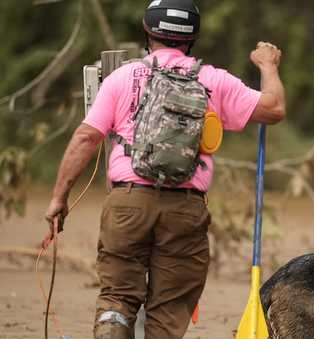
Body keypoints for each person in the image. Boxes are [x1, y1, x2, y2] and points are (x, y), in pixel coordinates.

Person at [44, 0, 285, 338]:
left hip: (128, 203)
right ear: (192, 38)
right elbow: (273, 108)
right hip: (185, 209)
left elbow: (86, 137)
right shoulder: (213, 80)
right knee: (170, 308)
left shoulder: (122, 76)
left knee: (118, 296)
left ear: (148, 32)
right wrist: (267, 66)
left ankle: (112, 327)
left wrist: (59, 197)